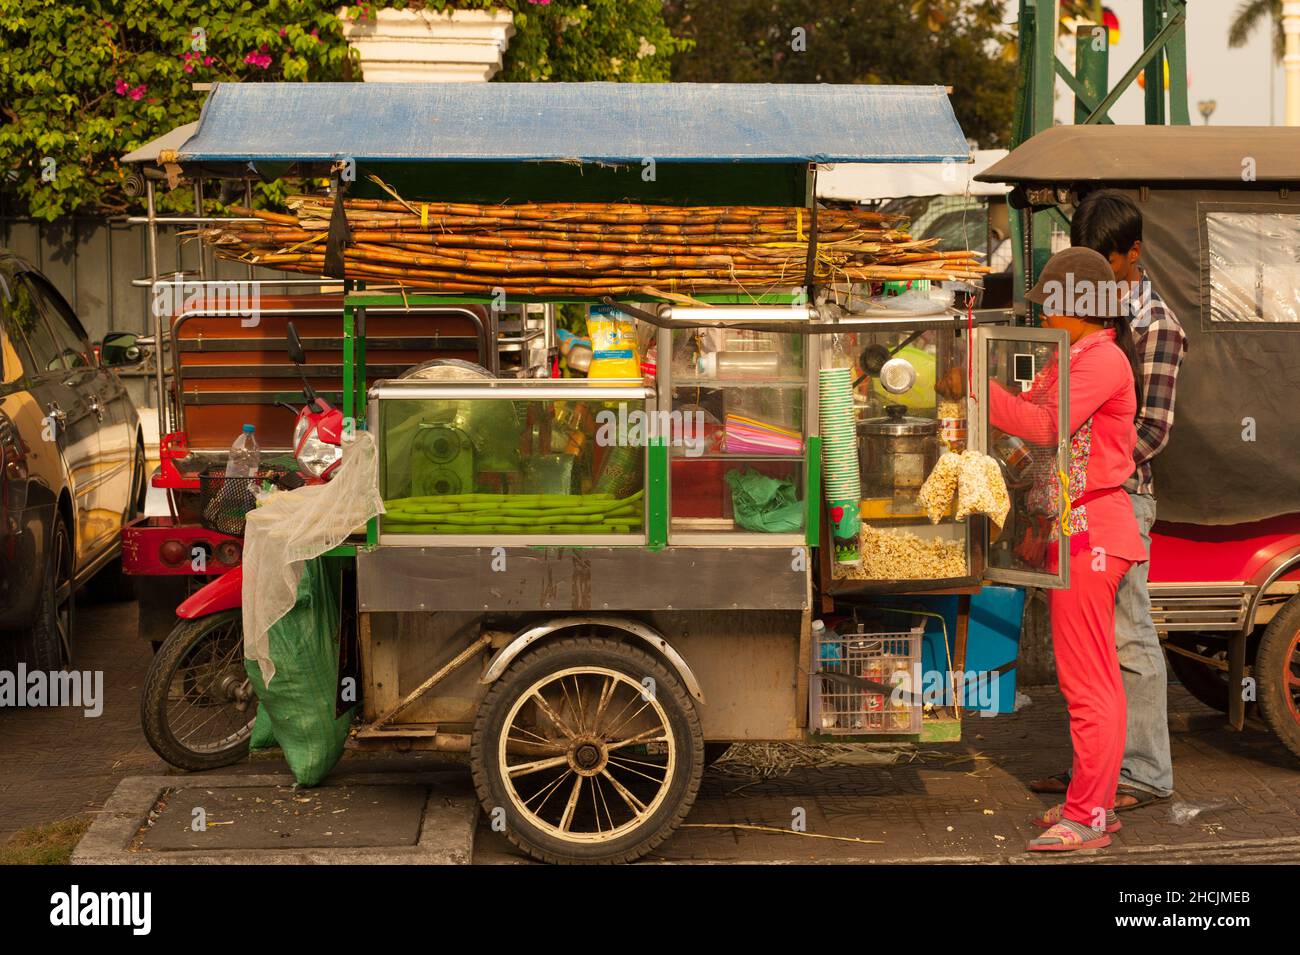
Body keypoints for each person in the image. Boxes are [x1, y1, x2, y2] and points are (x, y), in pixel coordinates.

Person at [1030, 190, 1187, 811]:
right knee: (1095, 649)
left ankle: (1143, 774)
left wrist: (1084, 465)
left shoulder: (1156, 327)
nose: (1090, 281)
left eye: (1105, 263)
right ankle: (1094, 775)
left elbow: (1150, 430)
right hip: (1081, 499)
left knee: (1128, 640)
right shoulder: (1092, 319)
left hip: (1120, 499)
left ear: (1134, 255)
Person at [989, 247, 1148, 852]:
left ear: (1076, 308)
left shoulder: (1101, 359)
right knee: (1092, 677)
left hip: (1094, 533)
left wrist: (976, 384)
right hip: (1078, 530)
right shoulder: (1075, 355)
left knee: (1089, 683)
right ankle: (1093, 803)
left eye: (1048, 308)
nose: (1041, 318)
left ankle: (1086, 818)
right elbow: (1033, 414)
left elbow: (1043, 426)